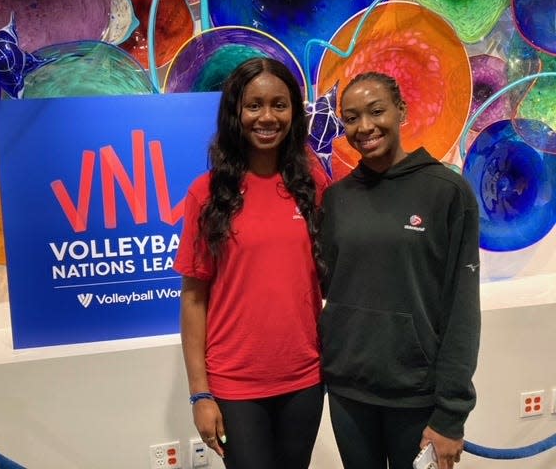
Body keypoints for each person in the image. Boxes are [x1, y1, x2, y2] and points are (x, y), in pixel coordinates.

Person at [318, 71, 481, 469]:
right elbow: (329, 285)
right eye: (352, 118)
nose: (365, 126)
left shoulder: (446, 192)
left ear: (401, 111)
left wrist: (451, 415)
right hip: (348, 391)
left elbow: (462, 309)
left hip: (417, 395)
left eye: (376, 111)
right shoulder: (338, 199)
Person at [173, 57, 329, 469]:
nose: (267, 116)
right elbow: (193, 300)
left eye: (279, 104)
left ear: (294, 111)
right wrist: (200, 393)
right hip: (234, 384)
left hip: (305, 379)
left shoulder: (313, 183)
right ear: (235, 112)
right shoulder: (207, 193)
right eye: (254, 105)